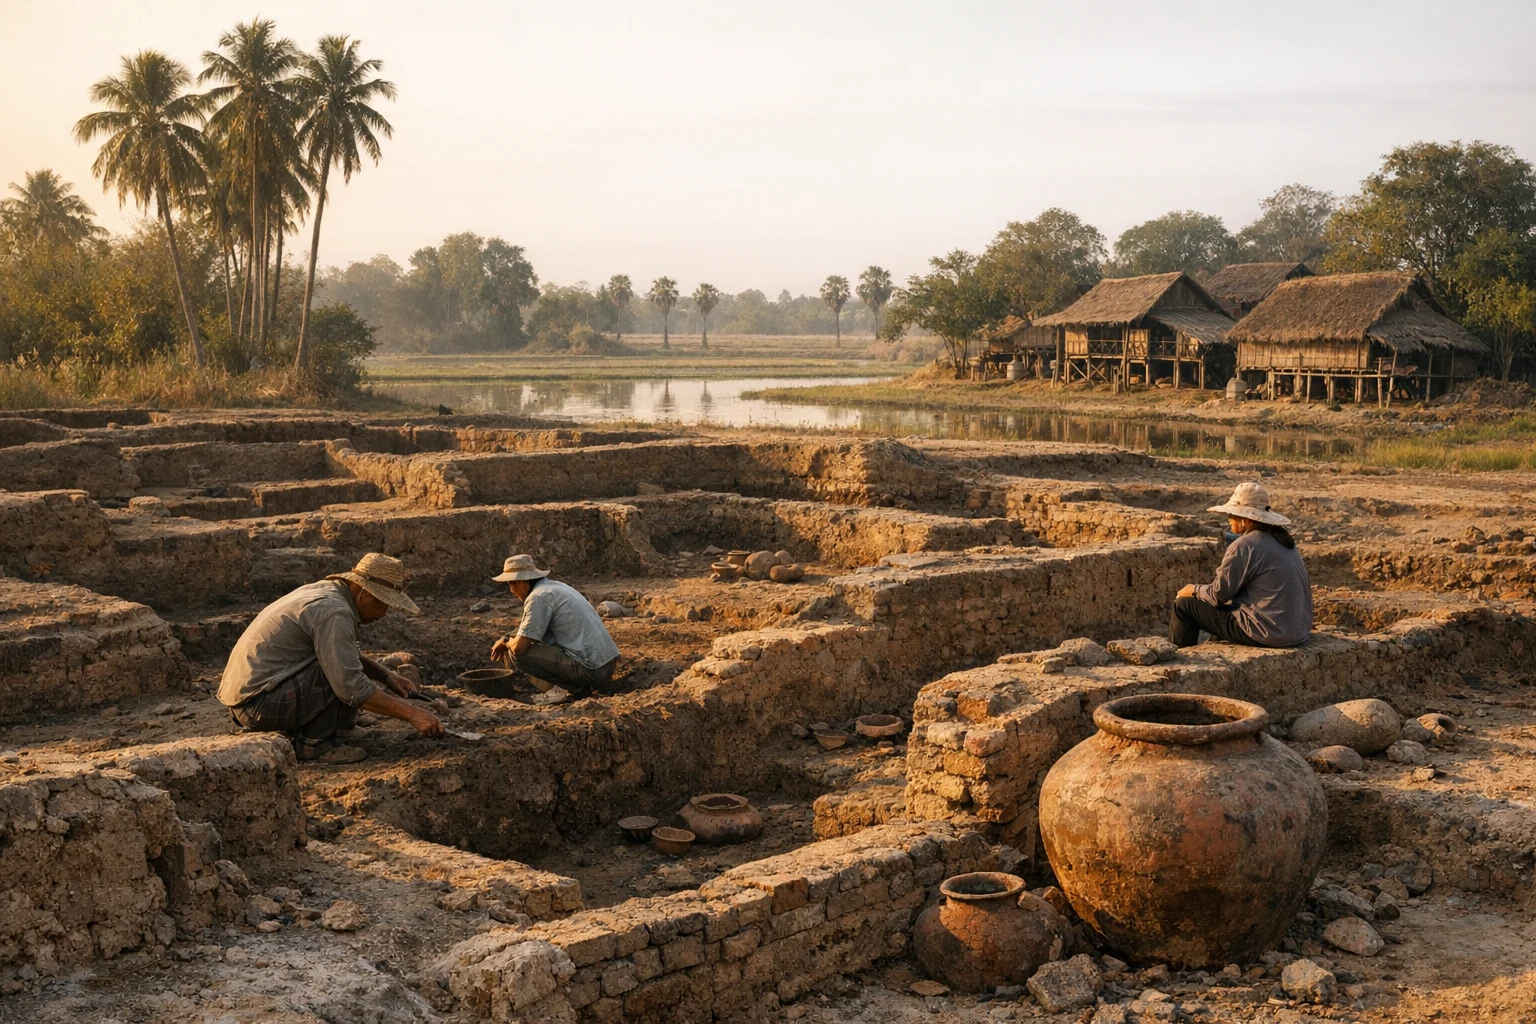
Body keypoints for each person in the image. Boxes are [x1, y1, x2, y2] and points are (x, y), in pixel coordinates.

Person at [219, 553, 442, 764]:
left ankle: (328, 729)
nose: (382, 614)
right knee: (341, 676)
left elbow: (341, 651)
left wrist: (386, 676)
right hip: (258, 705)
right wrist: (413, 715)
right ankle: (315, 745)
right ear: (364, 593)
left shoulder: (327, 592)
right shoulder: (335, 612)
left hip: (251, 698)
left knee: (340, 664)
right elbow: (349, 684)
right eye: (382, 603)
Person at [1169, 482, 1313, 649]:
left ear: (1244, 519)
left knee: (1183, 606)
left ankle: (1181, 659)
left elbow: (1218, 595)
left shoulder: (1245, 545)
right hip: (1296, 632)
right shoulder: (1284, 541)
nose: (1229, 520)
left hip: (1268, 632)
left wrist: (1194, 589)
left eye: (1231, 515)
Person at [489, 554, 621, 698]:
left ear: (521, 583)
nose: (511, 590)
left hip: (592, 670)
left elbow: (519, 648)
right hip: (607, 664)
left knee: (516, 655)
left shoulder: (537, 598)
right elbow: (529, 633)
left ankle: (576, 691)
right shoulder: (555, 587)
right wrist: (510, 638)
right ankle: (577, 688)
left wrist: (506, 641)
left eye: (510, 584)